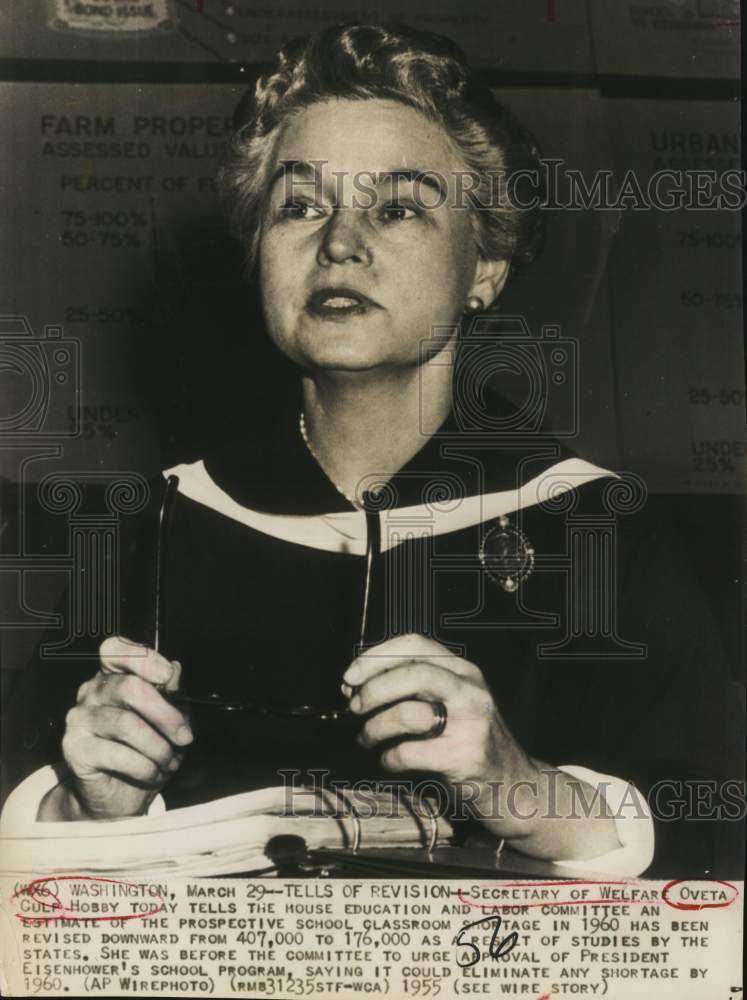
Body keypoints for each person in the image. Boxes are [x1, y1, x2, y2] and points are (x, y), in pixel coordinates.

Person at [2, 23, 742, 878]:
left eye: (396, 208)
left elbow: (717, 827)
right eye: (299, 206)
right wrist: (82, 802)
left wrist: (530, 793)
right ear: (257, 256)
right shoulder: (159, 523)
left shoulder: (600, 528)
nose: (339, 243)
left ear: (486, 266)